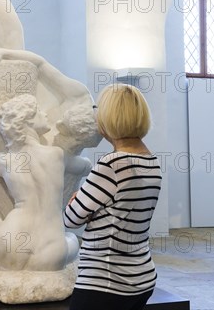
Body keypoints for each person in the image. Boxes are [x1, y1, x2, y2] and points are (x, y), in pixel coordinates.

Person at [63, 83, 162, 310]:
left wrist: (77, 201)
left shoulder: (112, 164)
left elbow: (71, 219)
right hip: (141, 277)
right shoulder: (151, 161)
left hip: (106, 281)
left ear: (109, 117)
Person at [0, 94, 78, 272]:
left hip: (11, 246)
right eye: (38, 111)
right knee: (72, 240)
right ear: (27, 121)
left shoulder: (5, 161)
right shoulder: (57, 155)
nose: (45, 114)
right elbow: (85, 166)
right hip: (52, 252)